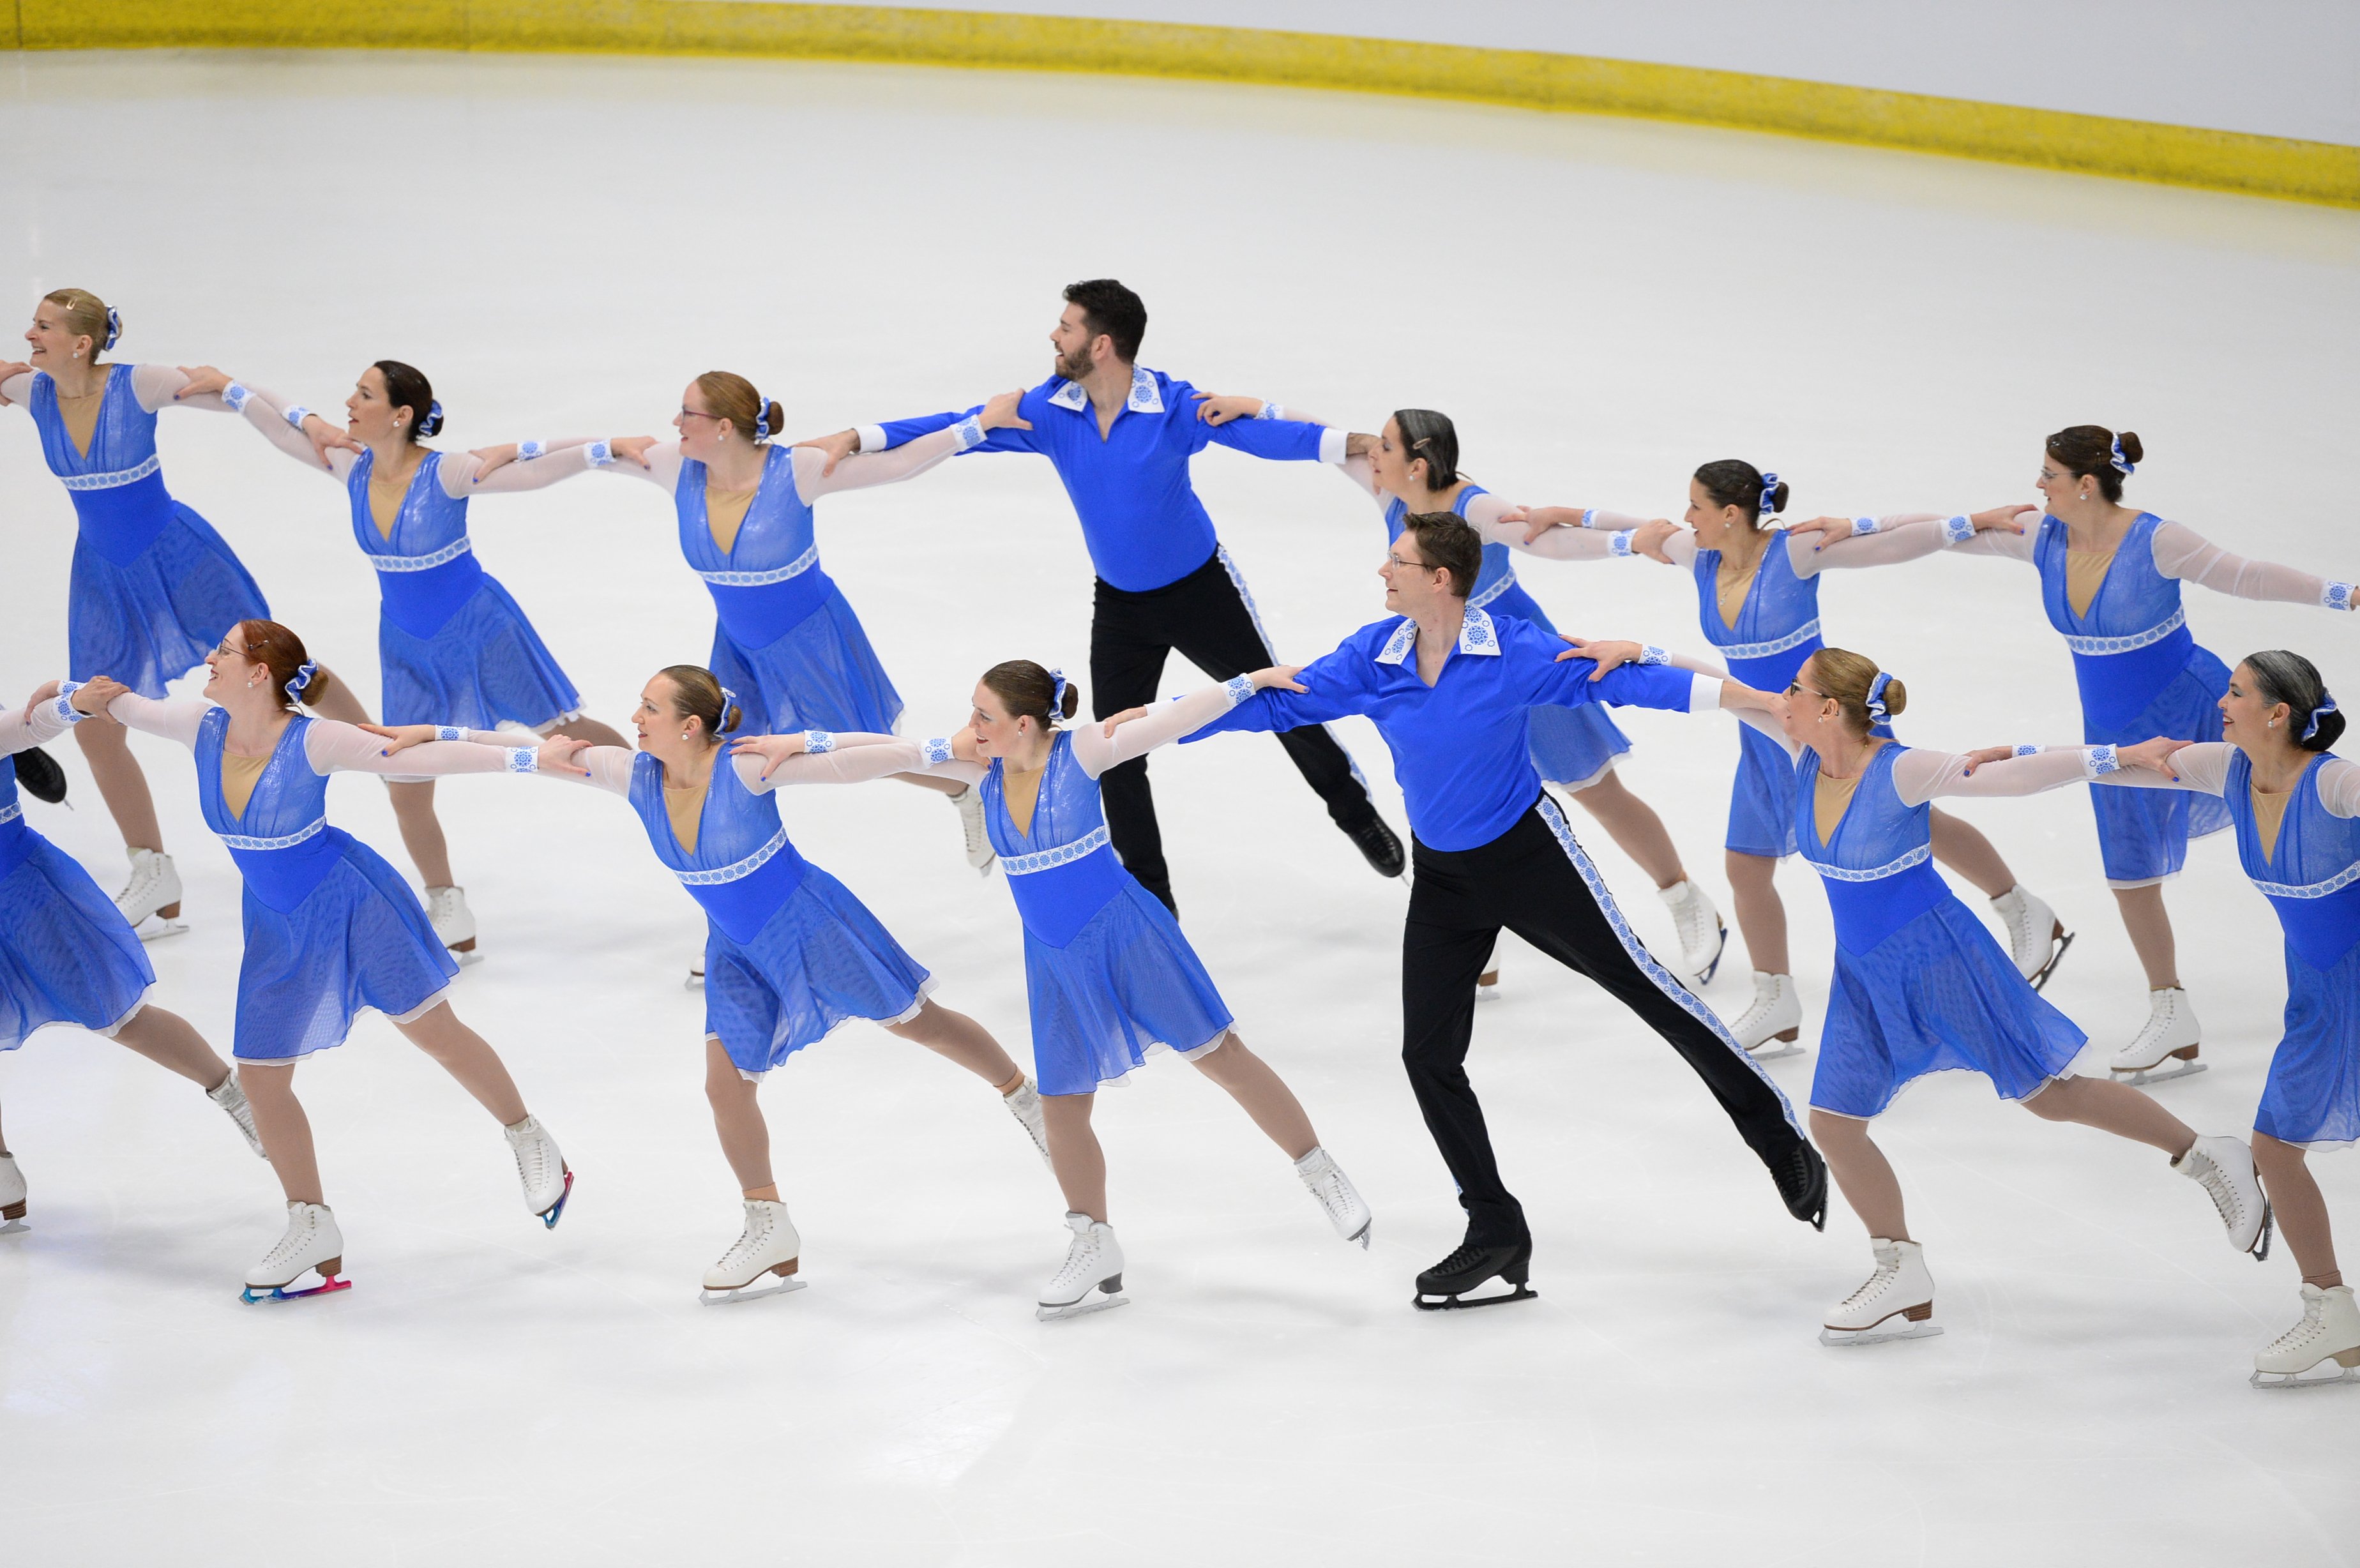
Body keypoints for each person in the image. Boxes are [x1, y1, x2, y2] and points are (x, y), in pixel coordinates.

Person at [1179, 511, 1829, 1309]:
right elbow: (1285, 703)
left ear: (1440, 580)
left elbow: (1630, 681)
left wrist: (1753, 698)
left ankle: (1775, 1132)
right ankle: (1495, 1228)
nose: (1383, 573)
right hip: (1445, 879)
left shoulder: (1511, 652)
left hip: (1529, 861)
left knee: (1647, 989)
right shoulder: (1374, 656)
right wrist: (1165, 723)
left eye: (1398, 563)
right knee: (1428, 1056)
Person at [1630, 641, 2271, 1344]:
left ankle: (2207, 1153)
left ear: (1830, 708)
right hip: (1866, 971)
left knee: (2051, 1096)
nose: (1782, 698)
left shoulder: (1899, 771)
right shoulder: (1798, 749)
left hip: (1944, 958)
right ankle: (1900, 1268)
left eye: (1795, 688)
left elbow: (2012, 778)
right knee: (1835, 1122)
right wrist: (1635, 652)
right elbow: (1720, 687)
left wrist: (2114, 755)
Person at [367, 664, 1052, 1304]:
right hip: (736, 948)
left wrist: (946, 746)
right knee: (725, 1083)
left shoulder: (747, 767)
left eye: (649, 708)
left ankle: (1024, 1095)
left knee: (920, 1023)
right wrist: (430, 733)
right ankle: (768, 1221)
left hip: (811, 925)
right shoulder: (630, 774)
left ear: (690, 725)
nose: (634, 718)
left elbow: (864, 762)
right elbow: (519, 752)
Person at [732, 661, 1374, 1321]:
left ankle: (1318, 1168)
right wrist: (800, 742)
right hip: (1055, 960)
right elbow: (876, 755)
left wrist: (1252, 679)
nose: (971, 726)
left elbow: (1180, 715)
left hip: (1128, 937)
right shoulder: (976, 768)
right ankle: (1094, 1238)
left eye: (984, 715)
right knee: (1064, 1105)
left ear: (1026, 724)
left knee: (1222, 1057)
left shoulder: (1086, 751)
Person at [792, 280, 1405, 912]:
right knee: (1118, 751)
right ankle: (1154, 900)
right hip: (1121, 606)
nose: (1054, 337)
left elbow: (1259, 435)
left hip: (1201, 591)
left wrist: (1359, 443)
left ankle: (1352, 809)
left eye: (1066, 327)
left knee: (1276, 696)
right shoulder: (1049, 409)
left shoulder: (1172, 405)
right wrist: (859, 434)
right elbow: (953, 425)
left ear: (1102, 344)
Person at [1793, 427, 2354, 1082]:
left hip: (2192, 701)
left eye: (2050, 475)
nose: (2038, 485)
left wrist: (2345, 594)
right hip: (2113, 724)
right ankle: (2171, 1008)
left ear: (2087, 483)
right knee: (2129, 874)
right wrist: (1858, 523)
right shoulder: (2043, 535)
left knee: (2299, 826)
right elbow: (1951, 532)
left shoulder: (2155, 539)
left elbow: (2245, 574)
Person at [87, 621, 576, 1302]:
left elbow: (417, 755)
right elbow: (121, 705)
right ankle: (310, 1220)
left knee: (435, 1032)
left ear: (259, 671)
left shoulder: (312, 737)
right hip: (277, 923)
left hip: (351, 902)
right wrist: (75, 696)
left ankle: (530, 1137)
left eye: (223, 651)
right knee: (260, 1075)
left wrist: (528, 756)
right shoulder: (199, 724)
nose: (208, 657)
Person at [1527, 461, 2070, 1052]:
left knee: (1924, 824)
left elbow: (1896, 543)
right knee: (1746, 867)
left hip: (1828, 730)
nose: (1686, 518)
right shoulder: (1699, 554)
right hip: (1763, 736)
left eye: (1697, 507)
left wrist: (1970, 521)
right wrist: (1569, 515)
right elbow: (1646, 529)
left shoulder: (1796, 552)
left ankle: (2021, 908)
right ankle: (1776, 997)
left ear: (1731, 514)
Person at [1191, 399, 1729, 994]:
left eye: (1387, 447)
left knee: (1592, 787)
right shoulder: (1388, 488)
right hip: (1437, 657)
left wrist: (1630, 542)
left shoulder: (1474, 506)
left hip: (1510, 659)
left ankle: (1681, 892)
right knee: (1466, 784)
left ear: (1418, 465)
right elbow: (1330, 439)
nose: (1372, 453)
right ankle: (1480, 933)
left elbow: (1543, 541)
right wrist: (1257, 408)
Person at [170, 359, 631, 961]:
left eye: (364, 395)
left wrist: (604, 449)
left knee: (562, 732)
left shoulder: (448, 473)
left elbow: (535, 473)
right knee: (404, 774)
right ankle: (448, 905)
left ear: (401, 414)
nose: (350, 403)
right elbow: (285, 430)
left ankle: (647, 777)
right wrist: (232, 388)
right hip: (407, 645)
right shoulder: (351, 465)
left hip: (481, 629)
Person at [555, 374, 1031, 901]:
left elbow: (898, 464)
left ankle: (962, 785)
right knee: (728, 763)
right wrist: (543, 449)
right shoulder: (678, 466)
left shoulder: (794, 470)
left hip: (811, 642)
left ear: (724, 427)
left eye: (687, 413)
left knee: (861, 754)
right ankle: (740, 891)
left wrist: (979, 425)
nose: (674, 423)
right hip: (738, 649)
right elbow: (591, 458)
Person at [2097, 652, 2360, 1385]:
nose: (2221, 699)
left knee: (2274, 1146)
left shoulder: (2336, 783)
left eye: (2237, 691)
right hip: (2317, 991)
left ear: (2278, 713)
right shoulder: (2231, 769)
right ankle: (2332, 1310)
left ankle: (2332, 1309)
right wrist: (2022, 761)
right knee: (2276, 1146)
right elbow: (2133, 768)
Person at [0, 289, 288, 938]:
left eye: (42, 326)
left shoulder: (140, 383)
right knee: (98, 723)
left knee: (275, 680)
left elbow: (231, 398)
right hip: (102, 577)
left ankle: (373, 748)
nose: (28, 334)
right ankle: (153, 872)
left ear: (82, 342)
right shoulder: (32, 393)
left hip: (180, 557)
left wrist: (292, 412)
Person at [0, 677, 265, 1233]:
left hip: (22, 894)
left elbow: (24, 726)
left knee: (119, 1015)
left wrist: (72, 704)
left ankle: (235, 1093)